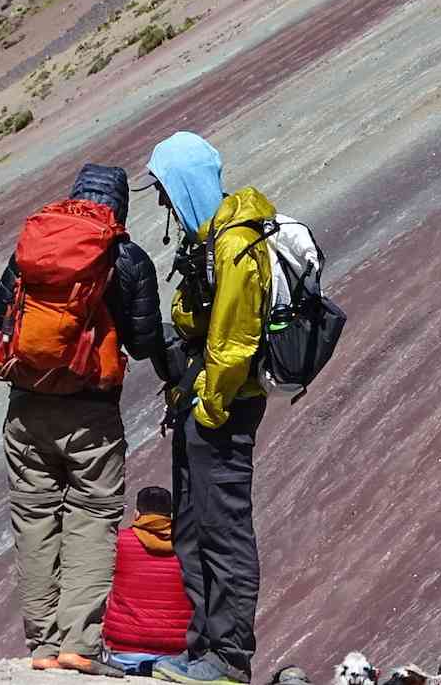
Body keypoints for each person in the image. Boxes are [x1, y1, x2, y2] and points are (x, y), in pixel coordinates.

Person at [0, 164, 170, 677]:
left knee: (35, 517)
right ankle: (79, 643)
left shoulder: (37, 243)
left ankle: (42, 643)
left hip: (27, 403)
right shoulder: (127, 257)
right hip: (93, 412)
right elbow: (142, 340)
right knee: (92, 518)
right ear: (120, 207)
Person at [146, 133, 270, 685]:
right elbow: (199, 320)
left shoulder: (235, 245)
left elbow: (236, 340)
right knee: (194, 530)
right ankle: (203, 651)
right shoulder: (207, 242)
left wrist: (210, 408)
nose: (164, 203)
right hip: (202, 401)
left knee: (225, 530)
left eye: (167, 189)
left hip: (224, 405)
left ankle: (230, 659)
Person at [103, 486, 193, 675]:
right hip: (175, 652)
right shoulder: (187, 546)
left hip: (124, 648)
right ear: (170, 515)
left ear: (136, 514)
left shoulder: (119, 542)